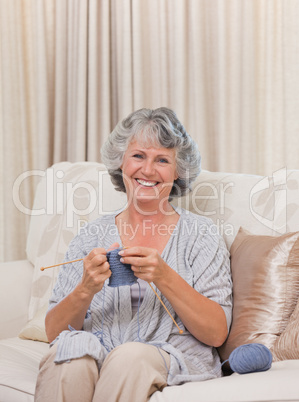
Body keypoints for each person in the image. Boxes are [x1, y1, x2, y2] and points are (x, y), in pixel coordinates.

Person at [35, 107, 232, 402]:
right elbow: (54, 333)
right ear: (121, 162)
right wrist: (86, 288)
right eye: (138, 156)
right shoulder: (90, 236)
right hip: (98, 349)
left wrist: (165, 276)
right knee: (68, 355)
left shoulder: (201, 235)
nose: (149, 170)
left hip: (170, 357)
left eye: (162, 160)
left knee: (129, 357)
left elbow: (216, 333)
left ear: (178, 171)